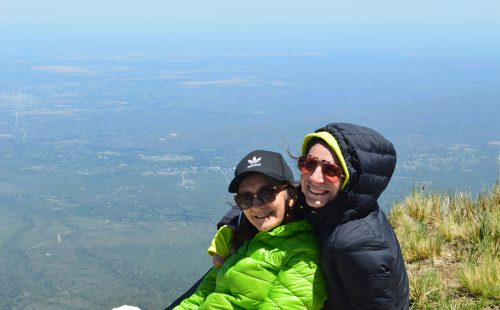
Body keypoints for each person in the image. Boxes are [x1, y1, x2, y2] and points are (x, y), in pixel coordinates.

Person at [206, 123, 410, 309]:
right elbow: (271, 194)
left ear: (350, 178)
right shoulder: (335, 203)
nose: (314, 177)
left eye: (330, 170)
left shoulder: (356, 244)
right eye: (309, 164)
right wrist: (229, 228)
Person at [171, 150, 327, 310]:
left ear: (292, 196)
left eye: (267, 193)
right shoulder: (244, 242)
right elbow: (199, 297)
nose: (256, 206)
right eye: (245, 198)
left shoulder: (304, 253)